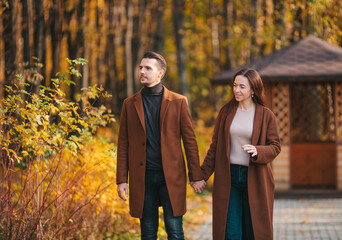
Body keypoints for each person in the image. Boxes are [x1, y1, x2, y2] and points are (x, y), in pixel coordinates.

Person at [116, 51, 206, 240]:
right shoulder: (129, 104)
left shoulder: (179, 102)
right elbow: (123, 143)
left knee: (174, 230)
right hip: (143, 178)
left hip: (171, 177)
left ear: (160, 73)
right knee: (148, 233)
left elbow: (190, 141)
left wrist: (196, 176)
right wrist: (122, 179)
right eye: (141, 67)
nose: (142, 71)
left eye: (148, 68)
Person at [200, 68, 281, 240]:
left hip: (256, 179)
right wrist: (202, 176)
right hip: (229, 179)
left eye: (242, 86)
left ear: (253, 90)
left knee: (254, 231)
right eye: (235, 85)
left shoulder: (266, 115)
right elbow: (215, 147)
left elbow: (275, 147)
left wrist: (258, 150)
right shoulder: (226, 112)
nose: (236, 90)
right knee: (230, 232)